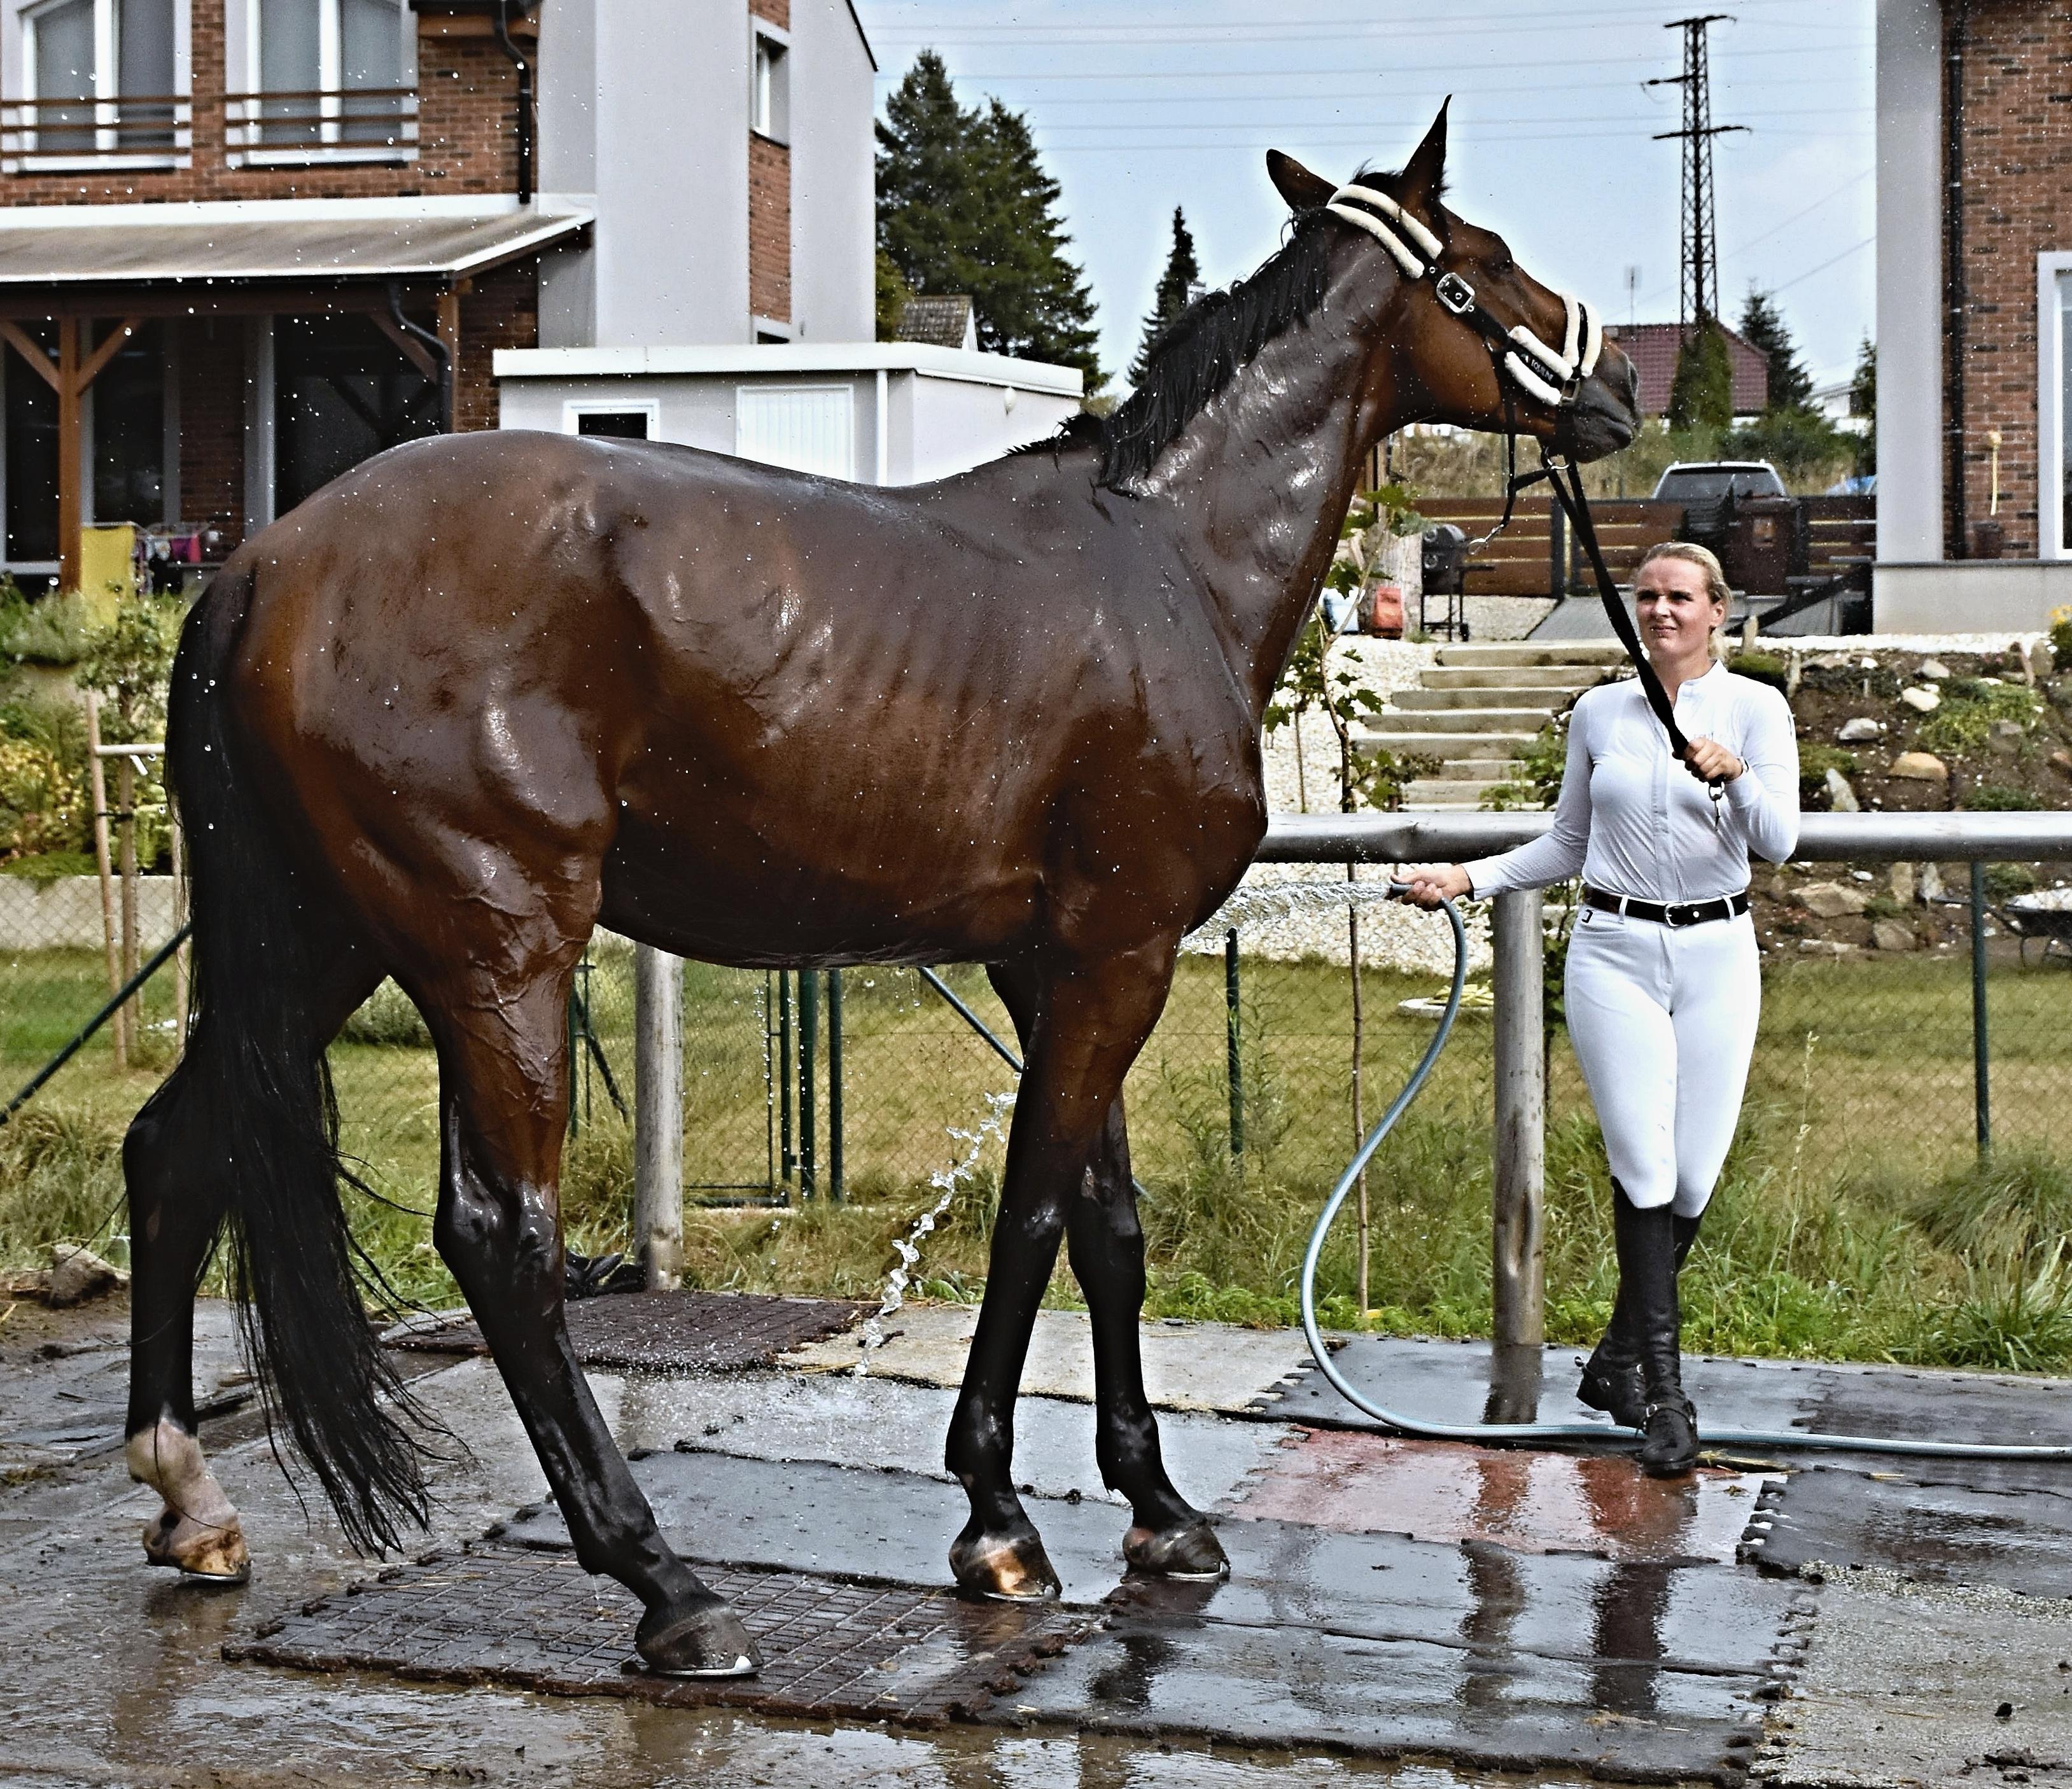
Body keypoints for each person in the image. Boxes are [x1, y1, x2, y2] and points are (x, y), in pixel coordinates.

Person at [1402, 541, 1799, 1476]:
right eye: (1647, 595)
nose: (1661, 611)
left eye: (1680, 597)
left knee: (1693, 1179)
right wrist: (1467, 877)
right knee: (1644, 1165)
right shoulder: (1600, 713)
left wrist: (1736, 774)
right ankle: (1663, 1395)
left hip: (1717, 951)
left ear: (1717, 611)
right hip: (1614, 950)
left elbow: (1780, 842)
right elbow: (1567, 841)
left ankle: (1615, 1361)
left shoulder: (1756, 708)